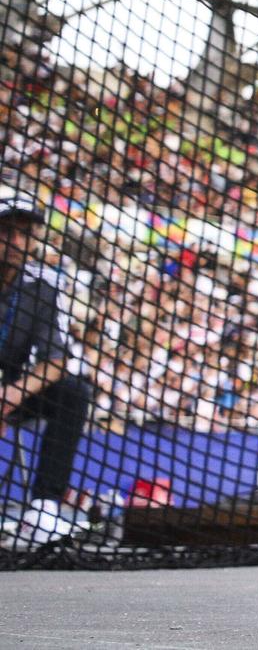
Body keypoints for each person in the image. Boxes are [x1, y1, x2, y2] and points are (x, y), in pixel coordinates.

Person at [0, 190, 95, 551]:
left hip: (9, 391)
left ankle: (43, 508)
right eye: (8, 232)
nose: (17, 243)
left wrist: (11, 395)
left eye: (25, 234)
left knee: (74, 391)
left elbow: (56, 361)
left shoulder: (41, 287)